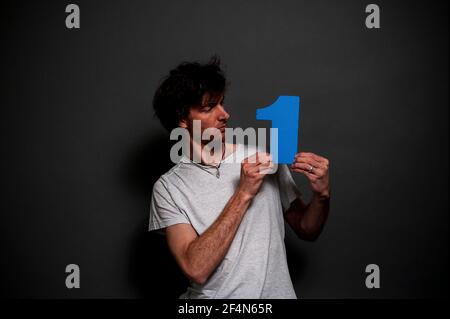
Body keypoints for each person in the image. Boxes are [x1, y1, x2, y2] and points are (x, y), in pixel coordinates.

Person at [148, 57, 330, 299]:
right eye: (209, 107)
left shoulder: (264, 159)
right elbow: (196, 268)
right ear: (183, 120)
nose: (224, 114)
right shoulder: (169, 188)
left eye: (222, 103)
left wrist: (321, 195)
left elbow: (307, 229)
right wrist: (243, 193)